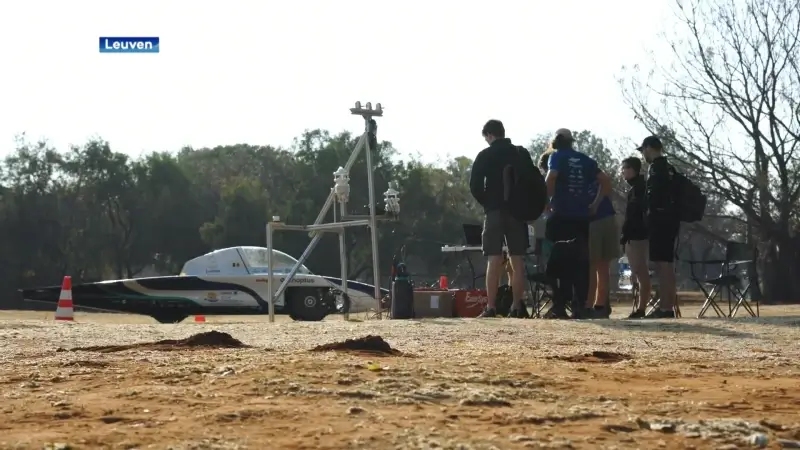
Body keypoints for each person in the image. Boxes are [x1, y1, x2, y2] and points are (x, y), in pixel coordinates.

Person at [544, 129, 613, 319]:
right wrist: (595, 204)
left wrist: (545, 202)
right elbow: (606, 181)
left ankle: (559, 306)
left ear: (555, 142)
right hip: (583, 218)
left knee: (559, 261)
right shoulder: (585, 159)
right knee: (581, 263)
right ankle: (580, 306)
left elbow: (551, 178)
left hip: (562, 216)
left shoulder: (557, 157)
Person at [469, 119, 530, 318]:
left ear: (489, 135)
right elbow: (531, 181)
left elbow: (475, 185)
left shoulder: (486, 155)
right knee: (517, 259)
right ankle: (516, 306)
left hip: (494, 210)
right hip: (518, 211)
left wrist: (488, 202)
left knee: (493, 259)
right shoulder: (520, 153)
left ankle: (491, 307)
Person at [638, 135, 678, 319]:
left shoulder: (656, 168)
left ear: (648, 148)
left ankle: (665, 308)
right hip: (671, 220)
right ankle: (667, 306)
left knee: (663, 265)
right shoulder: (670, 168)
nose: (643, 155)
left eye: (643, 150)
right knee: (667, 264)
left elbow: (653, 198)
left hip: (660, 221)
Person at [619, 156, 651, 319]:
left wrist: (626, 234)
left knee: (640, 271)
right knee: (638, 272)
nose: (623, 171)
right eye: (623, 168)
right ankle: (640, 307)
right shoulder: (636, 188)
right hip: (634, 235)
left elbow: (634, 215)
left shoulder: (639, 189)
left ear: (635, 170)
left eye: (627, 168)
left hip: (637, 236)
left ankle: (641, 308)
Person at [585, 168, 619, 319]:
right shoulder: (595, 173)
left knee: (594, 264)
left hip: (596, 220)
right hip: (608, 217)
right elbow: (608, 185)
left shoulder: (583, 173)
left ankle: (592, 305)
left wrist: (595, 204)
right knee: (602, 266)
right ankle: (601, 305)